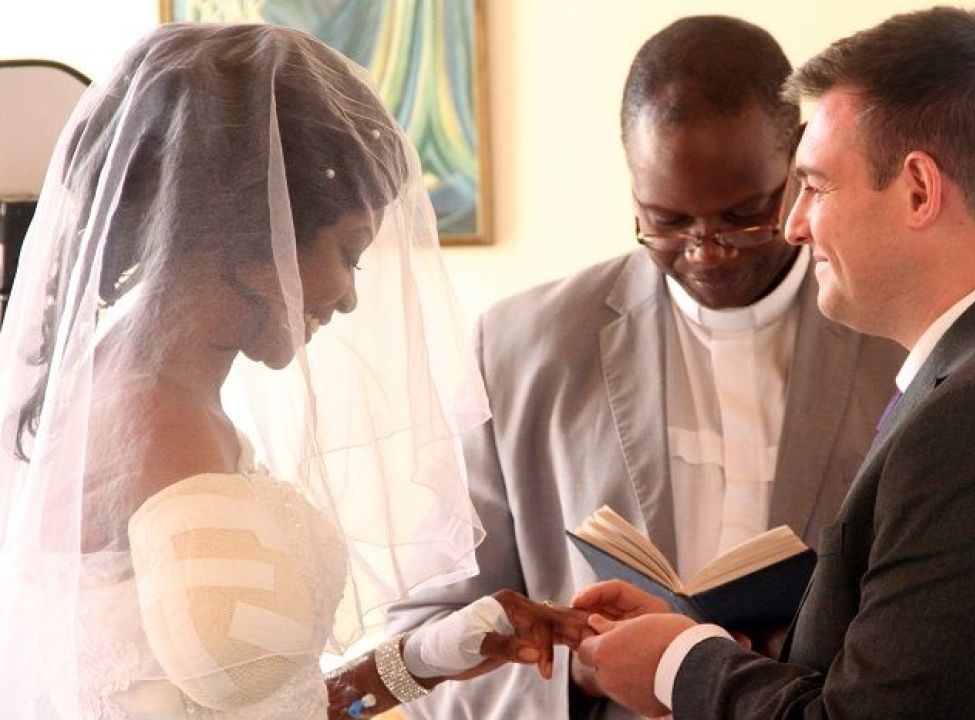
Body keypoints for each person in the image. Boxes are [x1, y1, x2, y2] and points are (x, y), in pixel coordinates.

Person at [572, 7, 975, 718]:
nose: (795, 226)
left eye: (816, 186)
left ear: (918, 190)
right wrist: (702, 638)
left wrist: (678, 666)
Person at [0, 24, 587, 720]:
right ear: (254, 234)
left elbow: (272, 700)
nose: (349, 296)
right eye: (348, 253)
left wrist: (431, 656)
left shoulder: (154, 397)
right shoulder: (154, 420)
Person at [377, 15, 904, 720]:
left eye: (745, 216)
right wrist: (579, 676)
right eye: (666, 222)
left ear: (800, 165)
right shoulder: (516, 349)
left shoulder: (899, 341)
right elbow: (420, 645)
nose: (706, 250)